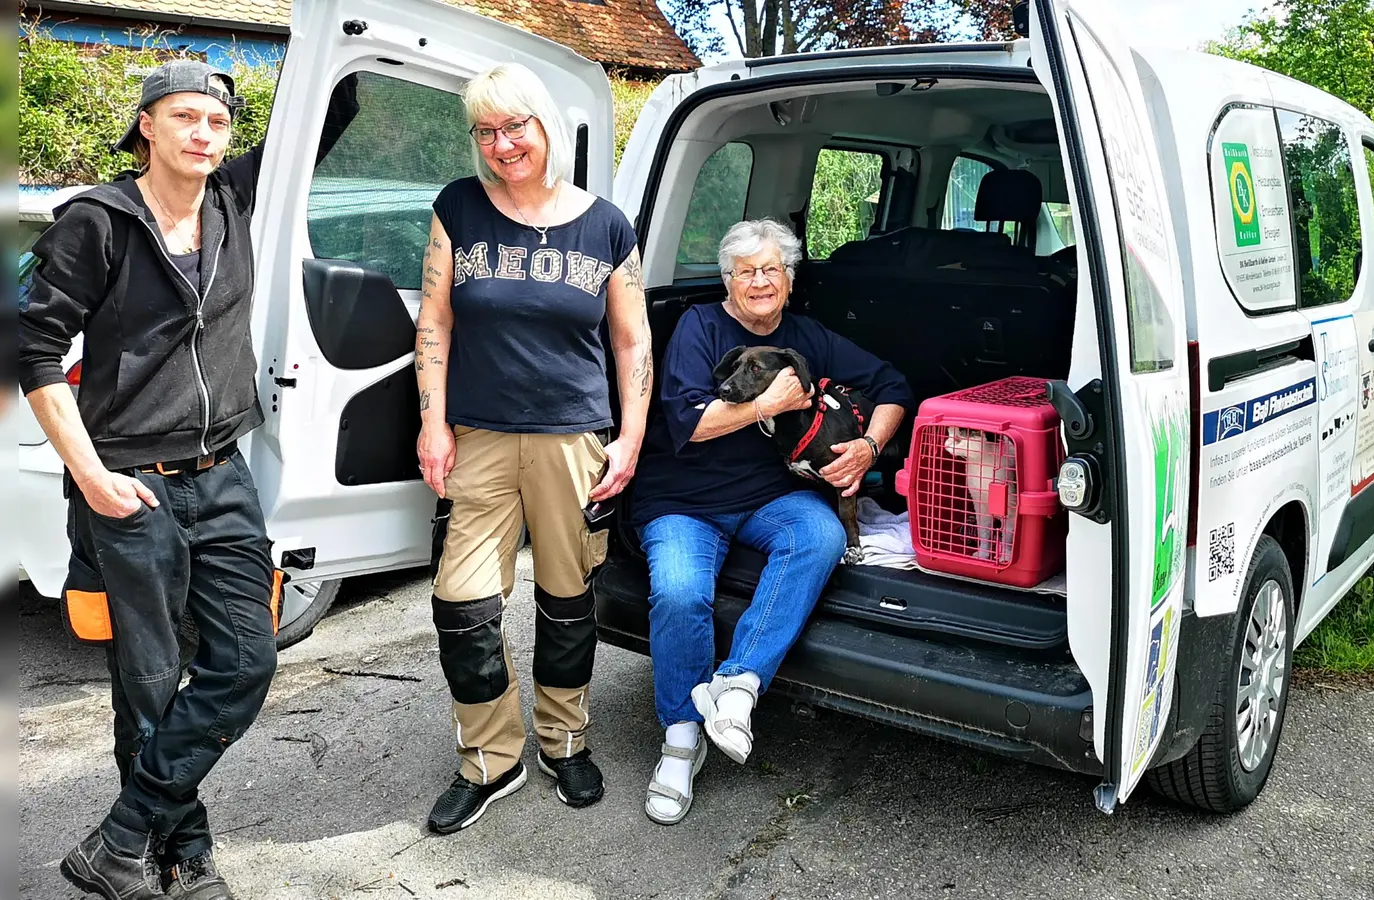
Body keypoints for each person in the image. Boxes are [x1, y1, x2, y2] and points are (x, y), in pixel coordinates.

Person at [19, 61, 356, 899]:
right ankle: (181, 852)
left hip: (223, 475)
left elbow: (328, 106)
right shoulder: (96, 223)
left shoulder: (235, 198)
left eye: (216, 120)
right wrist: (92, 476)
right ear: (147, 125)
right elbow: (30, 355)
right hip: (128, 482)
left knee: (245, 660)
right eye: (183, 117)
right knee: (149, 680)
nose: (203, 133)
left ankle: (121, 837)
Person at [414, 63, 651, 833]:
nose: (502, 144)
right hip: (478, 438)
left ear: (546, 126)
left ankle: (565, 740)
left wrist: (631, 440)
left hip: (573, 439)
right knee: (462, 602)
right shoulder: (458, 208)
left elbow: (630, 339)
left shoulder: (607, 226)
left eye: (516, 126)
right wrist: (432, 421)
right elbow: (436, 321)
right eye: (486, 131)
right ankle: (490, 759)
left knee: (568, 598)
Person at [628, 219, 912, 825]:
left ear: (789, 279)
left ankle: (737, 687)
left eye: (771, 269)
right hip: (683, 498)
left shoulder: (804, 336)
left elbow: (892, 385)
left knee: (821, 534)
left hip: (766, 495)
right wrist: (766, 404)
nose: (759, 282)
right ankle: (681, 740)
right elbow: (690, 423)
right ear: (728, 281)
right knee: (680, 593)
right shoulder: (698, 327)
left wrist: (867, 447)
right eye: (745, 271)